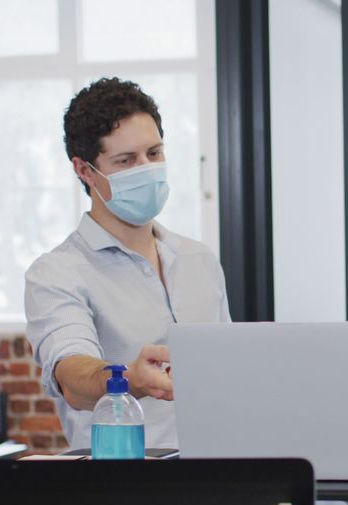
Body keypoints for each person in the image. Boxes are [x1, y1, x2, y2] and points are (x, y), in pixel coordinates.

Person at [25, 78, 229, 451]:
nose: (147, 169)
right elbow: (72, 378)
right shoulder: (57, 273)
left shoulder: (200, 260)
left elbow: (228, 375)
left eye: (154, 153)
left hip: (216, 477)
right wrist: (130, 378)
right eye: (126, 161)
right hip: (123, 488)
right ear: (85, 171)